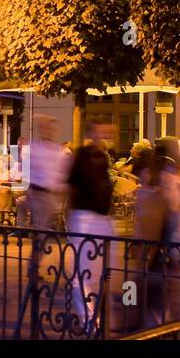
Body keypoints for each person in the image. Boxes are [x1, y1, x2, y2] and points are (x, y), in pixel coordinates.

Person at [133, 138, 180, 327]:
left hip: (166, 255)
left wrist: (141, 263)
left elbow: (150, 225)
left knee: (156, 310)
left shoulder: (160, 184)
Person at [67, 123, 115, 332]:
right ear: (90, 134)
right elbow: (70, 186)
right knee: (84, 272)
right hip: (84, 217)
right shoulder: (82, 156)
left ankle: (100, 317)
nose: (105, 135)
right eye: (102, 132)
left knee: (104, 271)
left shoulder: (103, 158)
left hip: (101, 219)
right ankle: (89, 320)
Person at [20, 115, 68, 230]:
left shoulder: (56, 151)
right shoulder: (36, 147)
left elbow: (59, 175)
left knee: (40, 226)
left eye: (48, 128)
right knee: (20, 203)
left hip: (46, 194)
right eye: (43, 128)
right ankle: (24, 229)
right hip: (36, 193)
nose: (45, 131)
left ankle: (29, 231)